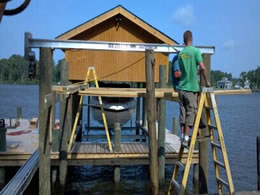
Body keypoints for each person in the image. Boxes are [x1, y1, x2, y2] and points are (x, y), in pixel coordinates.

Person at [177, 30, 210, 144]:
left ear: (184, 40)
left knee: (183, 112)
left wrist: (194, 71)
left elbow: (184, 71)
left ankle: (181, 136)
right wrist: (207, 82)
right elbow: (203, 67)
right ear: (192, 39)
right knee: (191, 112)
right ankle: (186, 138)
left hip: (181, 88)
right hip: (191, 89)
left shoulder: (180, 54)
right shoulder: (196, 51)